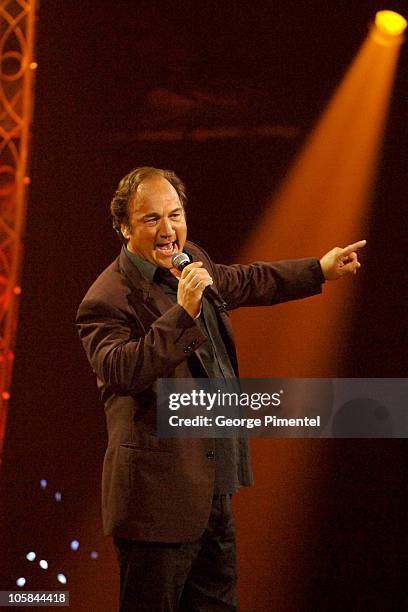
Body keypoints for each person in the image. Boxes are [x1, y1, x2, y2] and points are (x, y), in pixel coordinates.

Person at [76, 166, 366, 611]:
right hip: (157, 504)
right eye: (152, 219)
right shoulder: (107, 298)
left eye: (175, 214)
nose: (168, 229)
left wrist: (319, 270)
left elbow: (245, 281)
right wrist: (182, 313)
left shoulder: (191, 259)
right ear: (123, 227)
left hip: (212, 487)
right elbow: (122, 370)